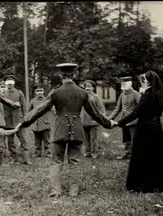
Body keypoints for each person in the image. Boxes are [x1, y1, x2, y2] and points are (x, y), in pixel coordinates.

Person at [18, 63, 117, 198]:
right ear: (74, 75)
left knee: (56, 162)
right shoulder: (82, 92)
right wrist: (108, 123)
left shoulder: (56, 92)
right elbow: (95, 113)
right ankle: (73, 192)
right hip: (77, 130)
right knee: (74, 161)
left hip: (59, 130)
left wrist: (24, 122)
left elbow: (40, 109)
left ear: (60, 76)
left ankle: (56, 191)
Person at [116, 71, 163, 193]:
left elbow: (135, 113)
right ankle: (159, 184)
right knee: (156, 156)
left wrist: (119, 123)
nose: (141, 83)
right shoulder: (158, 93)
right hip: (156, 128)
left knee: (143, 155)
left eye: (142, 81)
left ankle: (144, 184)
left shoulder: (147, 95)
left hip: (145, 128)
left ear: (147, 82)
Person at [109, 76, 141, 160]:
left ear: (129, 84)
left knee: (134, 138)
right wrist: (110, 118)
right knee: (126, 138)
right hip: (123, 120)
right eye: (121, 84)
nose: (122, 85)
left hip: (133, 121)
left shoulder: (136, 94)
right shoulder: (122, 94)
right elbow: (117, 108)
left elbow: (140, 108)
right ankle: (128, 154)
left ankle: (136, 155)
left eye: (124, 83)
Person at [2, 74, 32, 165]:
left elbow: (24, 107)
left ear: (14, 83)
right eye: (8, 81)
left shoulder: (19, 93)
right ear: (5, 83)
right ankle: (14, 159)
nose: (9, 84)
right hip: (7, 121)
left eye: (11, 81)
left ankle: (26, 159)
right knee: (10, 142)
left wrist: (25, 118)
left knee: (23, 140)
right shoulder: (2, 94)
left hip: (19, 121)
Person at [81, 80, 107, 159]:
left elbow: (102, 110)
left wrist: (99, 120)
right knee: (86, 139)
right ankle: (87, 152)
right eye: (86, 87)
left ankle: (94, 153)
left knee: (93, 139)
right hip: (84, 122)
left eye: (89, 87)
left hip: (93, 122)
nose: (87, 88)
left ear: (93, 88)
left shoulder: (96, 97)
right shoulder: (82, 97)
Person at [28, 84, 55, 157]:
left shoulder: (47, 100)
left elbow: (53, 110)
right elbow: (29, 112)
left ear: (43, 91)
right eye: (37, 91)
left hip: (45, 124)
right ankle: (37, 153)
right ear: (35, 92)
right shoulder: (32, 101)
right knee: (37, 141)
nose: (39, 92)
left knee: (47, 140)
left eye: (41, 90)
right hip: (35, 124)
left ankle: (48, 153)